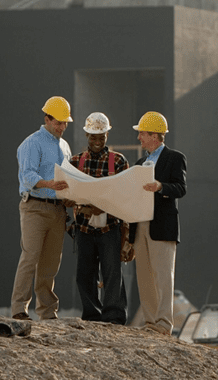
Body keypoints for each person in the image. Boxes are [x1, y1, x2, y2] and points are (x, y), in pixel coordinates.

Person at [11, 96, 73, 321]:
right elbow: (27, 175)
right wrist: (49, 184)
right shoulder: (32, 143)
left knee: (51, 262)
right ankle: (19, 308)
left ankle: (47, 311)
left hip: (58, 210)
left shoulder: (64, 146)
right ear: (47, 118)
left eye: (65, 123)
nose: (62, 127)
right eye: (58, 122)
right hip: (35, 207)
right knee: (30, 256)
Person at [129, 111, 187, 335]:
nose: (139, 138)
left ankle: (164, 324)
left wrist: (160, 186)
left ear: (154, 135)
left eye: (142, 134)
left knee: (163, 276)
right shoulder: (140, 162)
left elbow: (181, 188)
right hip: (141, 224)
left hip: (162, 226)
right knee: (144, 275)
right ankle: (151, 322)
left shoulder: (175, 158)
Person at [68, 112, 128, 324]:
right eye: (93, 137)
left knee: (112, 273)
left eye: (101, 137)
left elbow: (125, 197)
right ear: (86, 135)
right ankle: (92, 315)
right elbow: (69, 195)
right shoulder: (74, 162)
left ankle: (114, 317)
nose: (97, 141)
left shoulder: (118, 161)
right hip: (83, 228)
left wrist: (102, 208)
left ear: (107, 135)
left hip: (110, 227)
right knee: (85, 274)